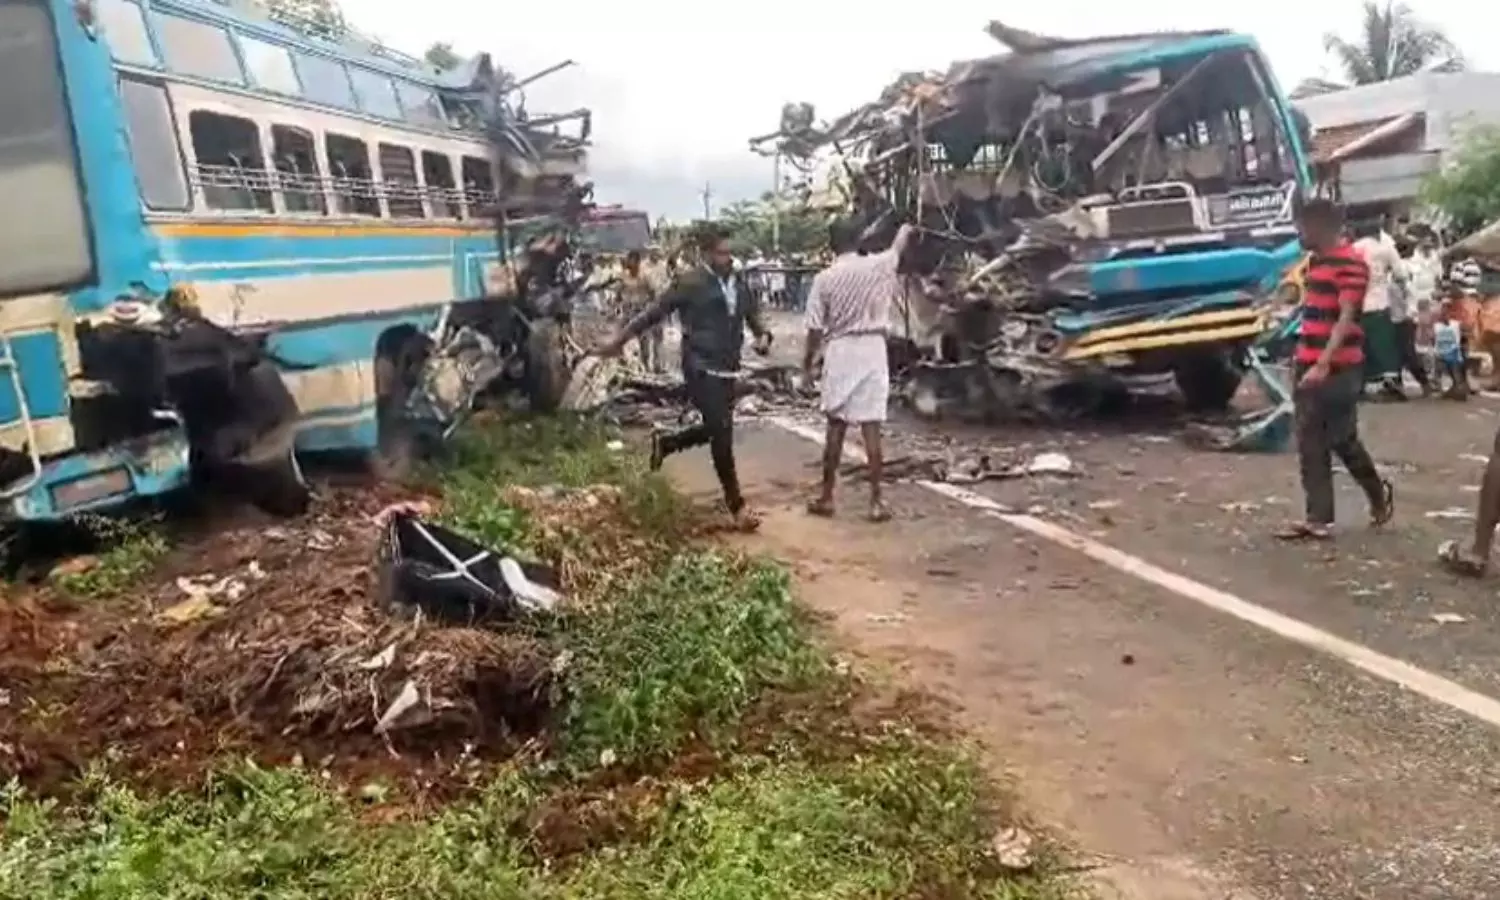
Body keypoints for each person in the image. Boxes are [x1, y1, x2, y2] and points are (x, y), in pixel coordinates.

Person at [593, 226, 772, 530]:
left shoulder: (739, 283)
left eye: (730, 253)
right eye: (721, 253)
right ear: (705, 253)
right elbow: (653, 313)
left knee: (717, 427)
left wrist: (764, 337)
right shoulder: (690, 283)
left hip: (729, 367)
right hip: (700, 366)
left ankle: (668, 443)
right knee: (722, 432)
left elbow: (754, 319)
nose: (728, 259)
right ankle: (737, 506)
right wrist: (619, 341)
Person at [1276, 199, 1394, 541]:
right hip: (1309, 361)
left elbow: (1346, 317)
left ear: (1320, 226)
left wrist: (1323, 364)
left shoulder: (1351, 264)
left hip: (1339, 366)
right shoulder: (1316, 262)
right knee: (1309, 440)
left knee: (1342, 439)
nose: (1299, 233)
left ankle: (1377, 492)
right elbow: (1314, 310)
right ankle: (1319, 518)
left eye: (1303, 226)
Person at [803, 219, 916, 523]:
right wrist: (905, 227)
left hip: (841, 350)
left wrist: (808, 364)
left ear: (831, 245)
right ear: (860, 240)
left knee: (835, 427)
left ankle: (827, 497)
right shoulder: (879, 265)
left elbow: (814, 329)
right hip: (873, 349)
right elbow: (899, 245)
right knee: (871, 429)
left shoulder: (824, 278)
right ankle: (876, 501)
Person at [1351, 220, 1404, 399]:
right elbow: (1400, 274)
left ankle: (1360, 385)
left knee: (1361, 346)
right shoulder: (1386, 248)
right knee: (1384, 345)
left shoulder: (1353, 249)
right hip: (1379, 303)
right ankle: (1389, 384)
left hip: (1357, 305)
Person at [1391, 239, 1432, 396]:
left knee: (1407, 353)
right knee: (1399, 352)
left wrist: (1409, 312)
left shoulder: (1401, 268)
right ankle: (1398, 384)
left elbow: (1407, 292)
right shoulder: (1409, 267)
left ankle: (1424, 382)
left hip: (1403, 316)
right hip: (1401, 314)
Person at [617, 250, 665, 373]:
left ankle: (646, 366)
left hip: (642, 310)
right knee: (622, 336)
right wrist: (616, 306)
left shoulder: (646, 276)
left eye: (631, 260)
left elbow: (654, 293)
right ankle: (624, 363)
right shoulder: (623, 276)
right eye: (628, 259)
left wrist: (652, 309)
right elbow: (619, 292)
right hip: (628, 310)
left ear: (637, 262)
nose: (628, 262)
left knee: (644, 340)